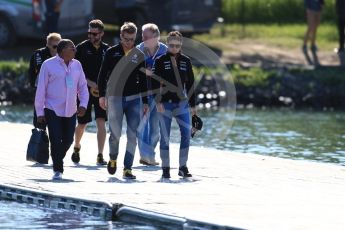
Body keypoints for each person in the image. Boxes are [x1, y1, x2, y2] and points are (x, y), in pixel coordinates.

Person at [98, 22, 148, 179]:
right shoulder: (112, 52)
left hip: (134, 99)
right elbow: (102, 74)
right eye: (126, 39)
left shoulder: (139, 54)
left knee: (133, 134)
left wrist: (145, 101)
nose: (129, 42)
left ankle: (128, 168)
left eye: (132, 39)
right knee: (115, 133)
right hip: (114, 98)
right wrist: (101, 95)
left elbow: (144, 79)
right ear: (121, 37)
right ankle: (113, 158)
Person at [35, 39, 89, 180]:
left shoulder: (77, 65)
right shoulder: (48, 65)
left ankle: (56, 157)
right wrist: (40, 112)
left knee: (68, 140)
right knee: (55, 138)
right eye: (72, 48)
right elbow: (41, 89)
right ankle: (58, 169)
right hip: (52, 108)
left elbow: (83, 87)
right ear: (62, 50)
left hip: (71, 109)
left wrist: (83, 104)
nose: (75, 50)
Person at [152, 31, 196, 179]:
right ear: (167, 44)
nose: (174, 48)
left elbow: (190, 84)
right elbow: (153, 83)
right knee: (165, 137)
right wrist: (157, 101)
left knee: (186, 134)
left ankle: (183, 167)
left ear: (181, 44)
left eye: (177, 46)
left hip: (182, 104)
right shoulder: (159, 60)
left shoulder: (186, 61)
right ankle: (165, 168)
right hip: (164, 104)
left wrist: (193, 106)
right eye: (171, 45)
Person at [70, 19, 110, 165]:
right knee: (82, 123)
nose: (91, 36)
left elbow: (110, 72)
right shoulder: (81, 48)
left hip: (101, 92)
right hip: (83, 91)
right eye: (89, 33)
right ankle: (76, 146)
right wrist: (90, 83)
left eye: (95, 34)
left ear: (102, 34)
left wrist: (102, 87)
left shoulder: (107, 50)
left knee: (101, 122)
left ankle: (100, 155)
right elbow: (75, 70)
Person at [136, 23, 168, 166]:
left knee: (155, 127)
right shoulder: (138, 50)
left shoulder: (165, 50)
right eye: (143, 35)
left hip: (159, 94)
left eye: (147, 36)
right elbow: (131, 70)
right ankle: (144, 156)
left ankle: (151, 155)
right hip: (142, 93)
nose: (143, 39)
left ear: (156, 37)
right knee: (143, 126)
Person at [28, 32, 62, 128]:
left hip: (58, 92)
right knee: (39, 121)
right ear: (48, 45)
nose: (57, 49)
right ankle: (39, 138)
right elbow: (34, 71)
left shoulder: (63, 55)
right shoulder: (39, 54)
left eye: (59, 46)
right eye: (55, 46)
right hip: (42, 90)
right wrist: (34, 86)